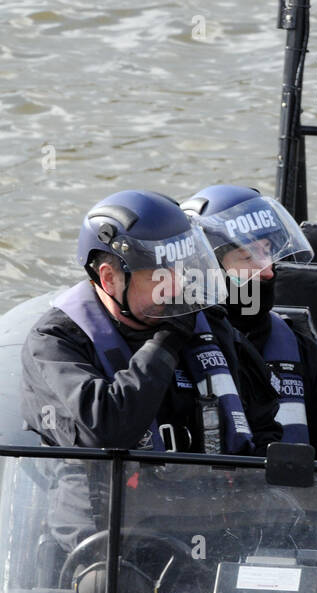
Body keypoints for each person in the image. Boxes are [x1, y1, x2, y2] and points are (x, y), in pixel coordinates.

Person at [21, 189, 282, 549]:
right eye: (161, 276)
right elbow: (106, 430)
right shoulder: (54, 342)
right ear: (110, 278)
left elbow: (262, 419)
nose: (177, 287)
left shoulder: (208, 325)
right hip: (106, 545)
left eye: (183, 270)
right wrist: (164, 344)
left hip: (217, 529)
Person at [181, 185, 317, 462]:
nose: (268, 270)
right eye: (248, 257)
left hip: (287, 502)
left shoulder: (304, 353)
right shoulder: (171, 349)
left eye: (267, 251)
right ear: (207, 267)